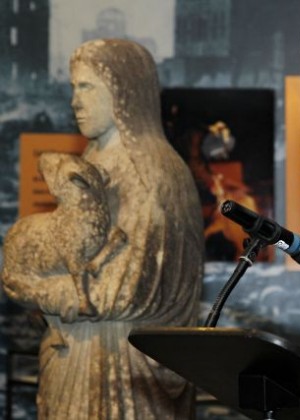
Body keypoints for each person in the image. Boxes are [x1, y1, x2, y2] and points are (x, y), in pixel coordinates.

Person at [3, 39, 204, 419]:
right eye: (73, 88)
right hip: (81, 351)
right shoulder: (94, 157)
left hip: (122, 367)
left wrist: (40, 290)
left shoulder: (154, 172)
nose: (74, 101)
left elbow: (124, 290)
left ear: (123, 91)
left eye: (87, 87)